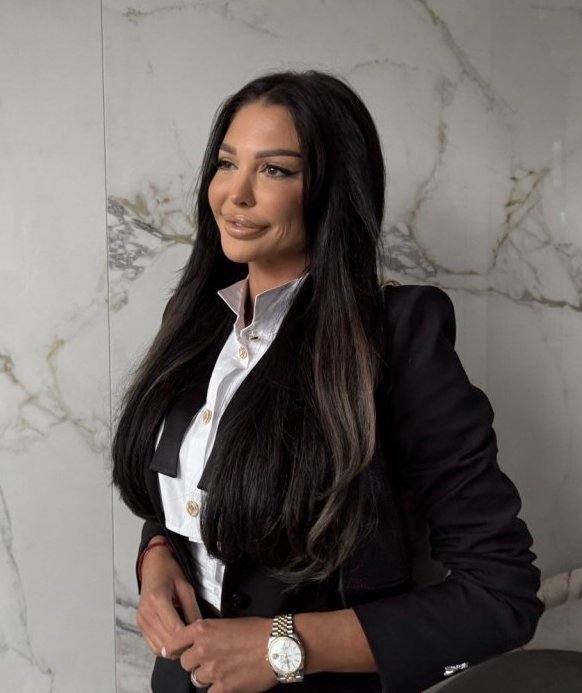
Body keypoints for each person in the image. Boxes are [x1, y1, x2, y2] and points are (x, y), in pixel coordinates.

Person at [111, 71, 543, 693]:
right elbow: (195, 490)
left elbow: (500, 595)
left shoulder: (396, 338)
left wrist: (282, 647)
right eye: (227, 163)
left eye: (275, 170)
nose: (236, 194)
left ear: (333, 191)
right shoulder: (199, 325)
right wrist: (158, 557)